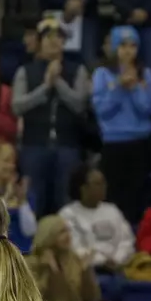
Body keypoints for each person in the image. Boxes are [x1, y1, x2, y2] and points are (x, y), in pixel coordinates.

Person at [13, 19, 92, 215]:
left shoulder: (77, 70)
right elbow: (17, 106)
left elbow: (79, 104)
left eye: (59, 37)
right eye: (48, 37)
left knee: (65, 199)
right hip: (34, 145)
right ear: (39, 41)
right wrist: (45, 87)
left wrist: (58, 82)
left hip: (68, 145)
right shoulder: (26, 71)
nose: (54, 41)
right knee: (33, 199)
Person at [91, 26, 151, 225]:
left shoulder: (147, 74)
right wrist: (119, 86)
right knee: (113, 198)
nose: (128, 51)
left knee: (138, 198)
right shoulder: (101, 74)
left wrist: (135, 87)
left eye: (133, 46)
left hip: (140, 143)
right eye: (123, 45)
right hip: (113, 144)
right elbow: (102, 110)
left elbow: (148, 108)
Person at [26, 214, 98, 301]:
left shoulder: (74, 261)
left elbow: (92, 297)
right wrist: (49, 271)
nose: (68, 236)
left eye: (68, 231)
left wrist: (85, 272)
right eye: (62, 232)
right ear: (48, 235)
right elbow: (33, 299)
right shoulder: (31, 264)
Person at [60, 164, 136, 274]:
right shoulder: (68, 214)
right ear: (83, 188)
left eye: (104, 183)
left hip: (118, 268)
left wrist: (116, 259)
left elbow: (126, 241)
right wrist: (101, 262)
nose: (103, 187)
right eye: (97, 184)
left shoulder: (113, 210)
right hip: (85, 271)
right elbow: (73, 248)